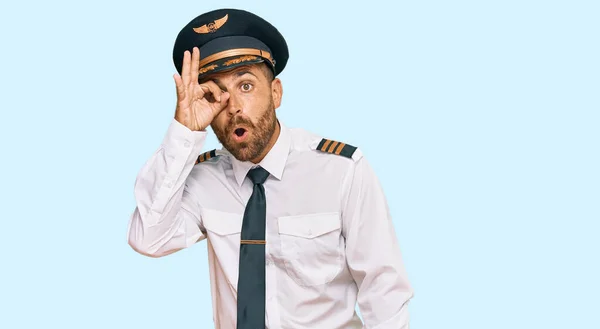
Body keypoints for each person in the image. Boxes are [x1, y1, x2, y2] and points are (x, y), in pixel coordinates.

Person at [127, 8, 413, 329]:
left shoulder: (341, 171)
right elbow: (148, 238)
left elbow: (383, 290)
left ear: (275, 93)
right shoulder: (203, 177)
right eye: (215, 92)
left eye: (245, 86)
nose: (233, 106)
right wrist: (185, 131)